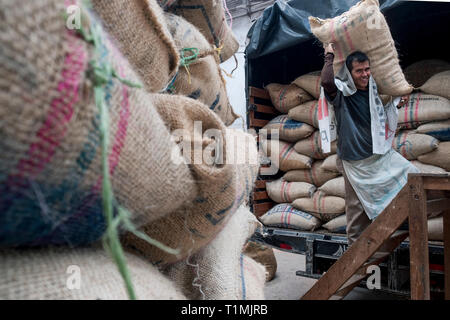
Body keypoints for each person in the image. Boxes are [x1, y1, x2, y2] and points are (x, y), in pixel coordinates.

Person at [320, 43, 419, 246]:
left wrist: (395, 104)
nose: (365, 74)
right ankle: (356, 263)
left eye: (367, 69)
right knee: (357, 213)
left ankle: (389, 234)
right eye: (359, 71)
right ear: (349, 72)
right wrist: (329, 55)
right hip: (354, 162)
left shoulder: (373, 92)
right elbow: (327, 81)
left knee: (412, 175)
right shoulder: (342, 94)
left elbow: (379, 115)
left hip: (378, 156)